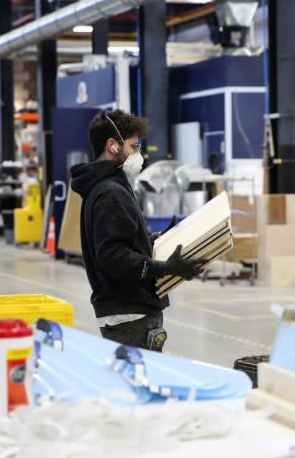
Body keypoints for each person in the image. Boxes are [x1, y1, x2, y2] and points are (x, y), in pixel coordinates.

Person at [70, 110, 205, 352]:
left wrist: (160, 239)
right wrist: (165, 268)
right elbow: (112, 255)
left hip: (125, 313)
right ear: (112, 145)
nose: (138, 155)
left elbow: (123, 242)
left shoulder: (105, 187)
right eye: (133, 146)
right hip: (130, 315)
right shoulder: (110, 192)